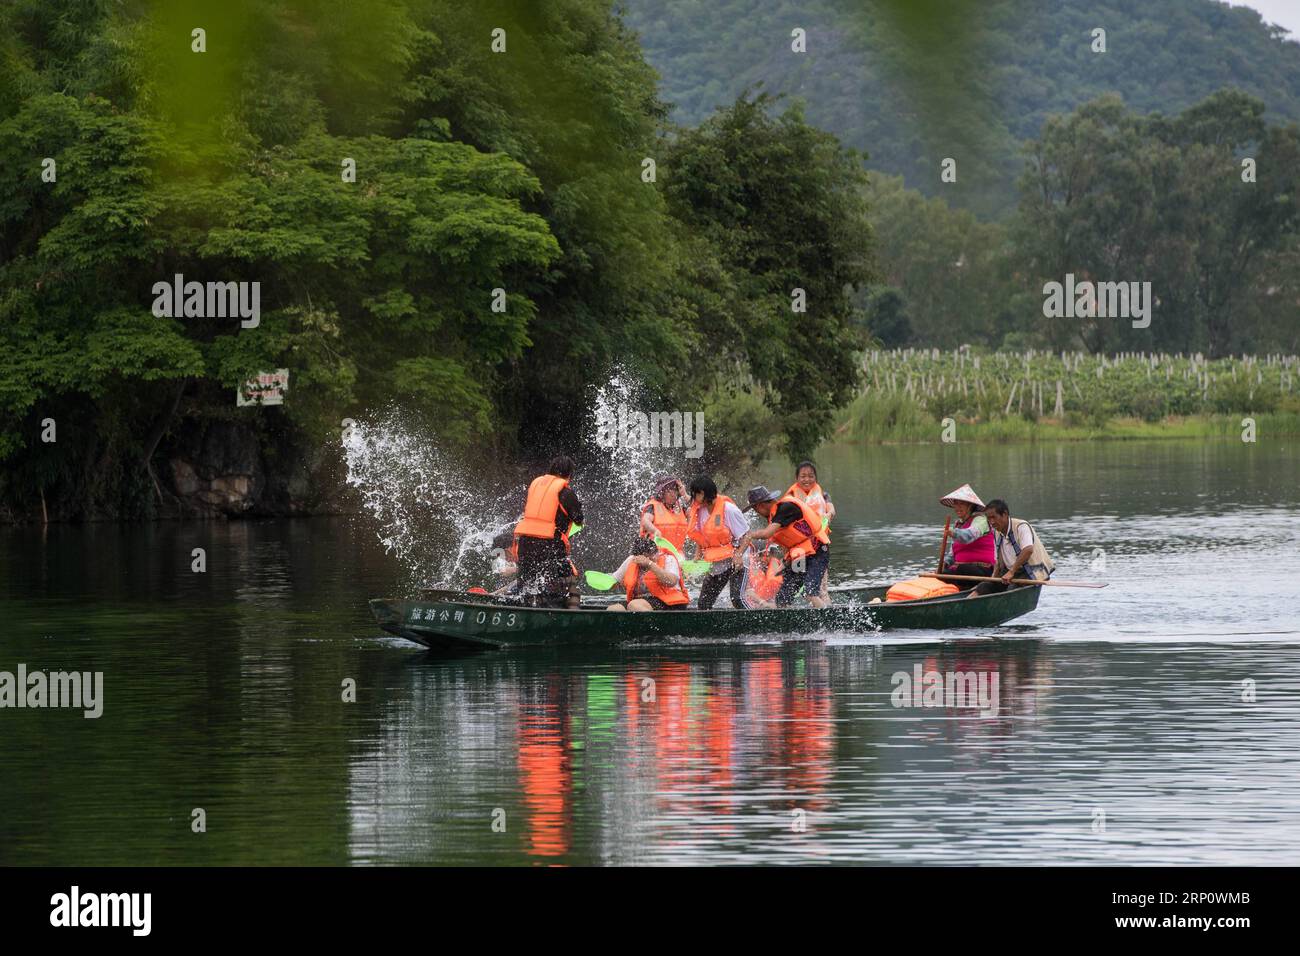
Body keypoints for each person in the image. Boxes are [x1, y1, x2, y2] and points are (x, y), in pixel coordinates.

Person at [736, 485, 831, 608]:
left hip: (817, 551)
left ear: (759, 506)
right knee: (783, 598)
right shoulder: (774, 517)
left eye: (755, 510)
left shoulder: (785, 508)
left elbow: (766, 533)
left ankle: (827, 619)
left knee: (810, 592)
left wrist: (748, 535)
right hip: (800, 556)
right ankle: (785, 623)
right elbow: (787, 543)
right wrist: (786, 562)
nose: (757, 513)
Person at [513, 455, 583, 608]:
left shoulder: (535, 485)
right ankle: (573, 614)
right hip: (548, 545)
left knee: (528, 585)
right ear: (569, 474)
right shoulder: (565, 493)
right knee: (570, 584)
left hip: (524, 544)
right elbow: (578, 519)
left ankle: (525, 611)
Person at [685, 476, 750, 609]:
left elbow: (747, 536)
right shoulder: (700, 510)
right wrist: (697, 556)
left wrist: (738, 555)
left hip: (737, 559)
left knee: (736, 599)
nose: (693, 498)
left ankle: (756, 626)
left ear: (702, 493)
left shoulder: (729, 510)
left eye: (694, 494)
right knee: (703, 604)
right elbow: (702, 537)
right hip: (717, 562)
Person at [972, 499, 1056, 595]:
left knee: (1012, 589)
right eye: (989, 519)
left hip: (1029, 572)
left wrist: (1012, 572)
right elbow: (997, 561)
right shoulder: (996, 532)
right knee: (984, 586)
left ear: (1005, 514)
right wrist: (993, 577)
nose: (991, 522)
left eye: (994, 517)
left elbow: (1028, 550)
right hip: (1010, 573)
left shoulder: (1021, 526)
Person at [785, 459, 835, 600]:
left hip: (819, 548)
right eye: (803, 476)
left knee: (820, 589)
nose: (807, 479)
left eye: (811, 476)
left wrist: (828, 514)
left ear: (815, 478)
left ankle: (826, 612)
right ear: (797, 478)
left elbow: (831, 508)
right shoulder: (791, 498)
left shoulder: (823, 495)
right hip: (799, 550)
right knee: (794, 585)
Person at [606, 536, 690, 611]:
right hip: (641, 602)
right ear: (637, 556)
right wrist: (603, 582)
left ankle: (656, 626)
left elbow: (671, 581)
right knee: (614, 609)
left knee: (634, 605)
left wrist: (650, 564)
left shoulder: (668, 558)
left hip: (669, 602)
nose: (653, 557)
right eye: (647, 557)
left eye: (654, 553)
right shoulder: (632, 560)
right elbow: (614, 580)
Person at [939, 483, 995, 590]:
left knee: (961, 569)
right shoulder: (958, 524)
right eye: (956, 504)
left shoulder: (981, 520)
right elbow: (952, 554)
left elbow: (969, 536)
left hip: (983, 570)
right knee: (942, 574)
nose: (957, 507)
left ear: (970, 506)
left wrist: (953, 533)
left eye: (962, 504)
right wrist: (945, 564)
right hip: (962, 571)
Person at [639, 475, 690, 557]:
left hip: (678, 557)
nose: (673, 494)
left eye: (675, 490)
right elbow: (645, 521)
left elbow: (698, 509)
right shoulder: (653, 506)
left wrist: (685, 494)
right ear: (661, 493)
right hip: (655, 556)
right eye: (669, 491)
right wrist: (655, 530)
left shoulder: (680, 507)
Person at [740, 542, 784, 609]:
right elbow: (747, 591)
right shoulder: (748, 565)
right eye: (761, 555)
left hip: (766, 602)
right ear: (756, 555)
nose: (766, 559)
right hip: (751, 604)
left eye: (770, 555)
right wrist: (763, 603)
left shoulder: (774, 565)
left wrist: (776, 604)